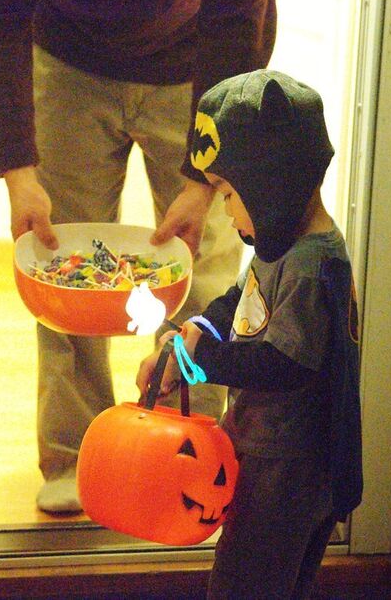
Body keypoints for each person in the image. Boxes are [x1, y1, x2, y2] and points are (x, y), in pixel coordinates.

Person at [0, 0, 277, 513]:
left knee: (205, 266)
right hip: (67, 62)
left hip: (199, 64)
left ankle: (192, 449)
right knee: (60, 267)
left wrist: (202, 181)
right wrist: (19, 175)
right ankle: (76, 455)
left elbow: (240, 20)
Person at [136, 69, 363, 599]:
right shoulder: (279, 245)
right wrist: (193, 330)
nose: (226, 210)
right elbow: (240, 300)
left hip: (288, 469)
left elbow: (286, 364)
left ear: (271, 184)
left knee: (246, 582)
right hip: (268, 453)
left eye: (231, 194)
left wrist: (204, 358)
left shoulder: (312, 265)